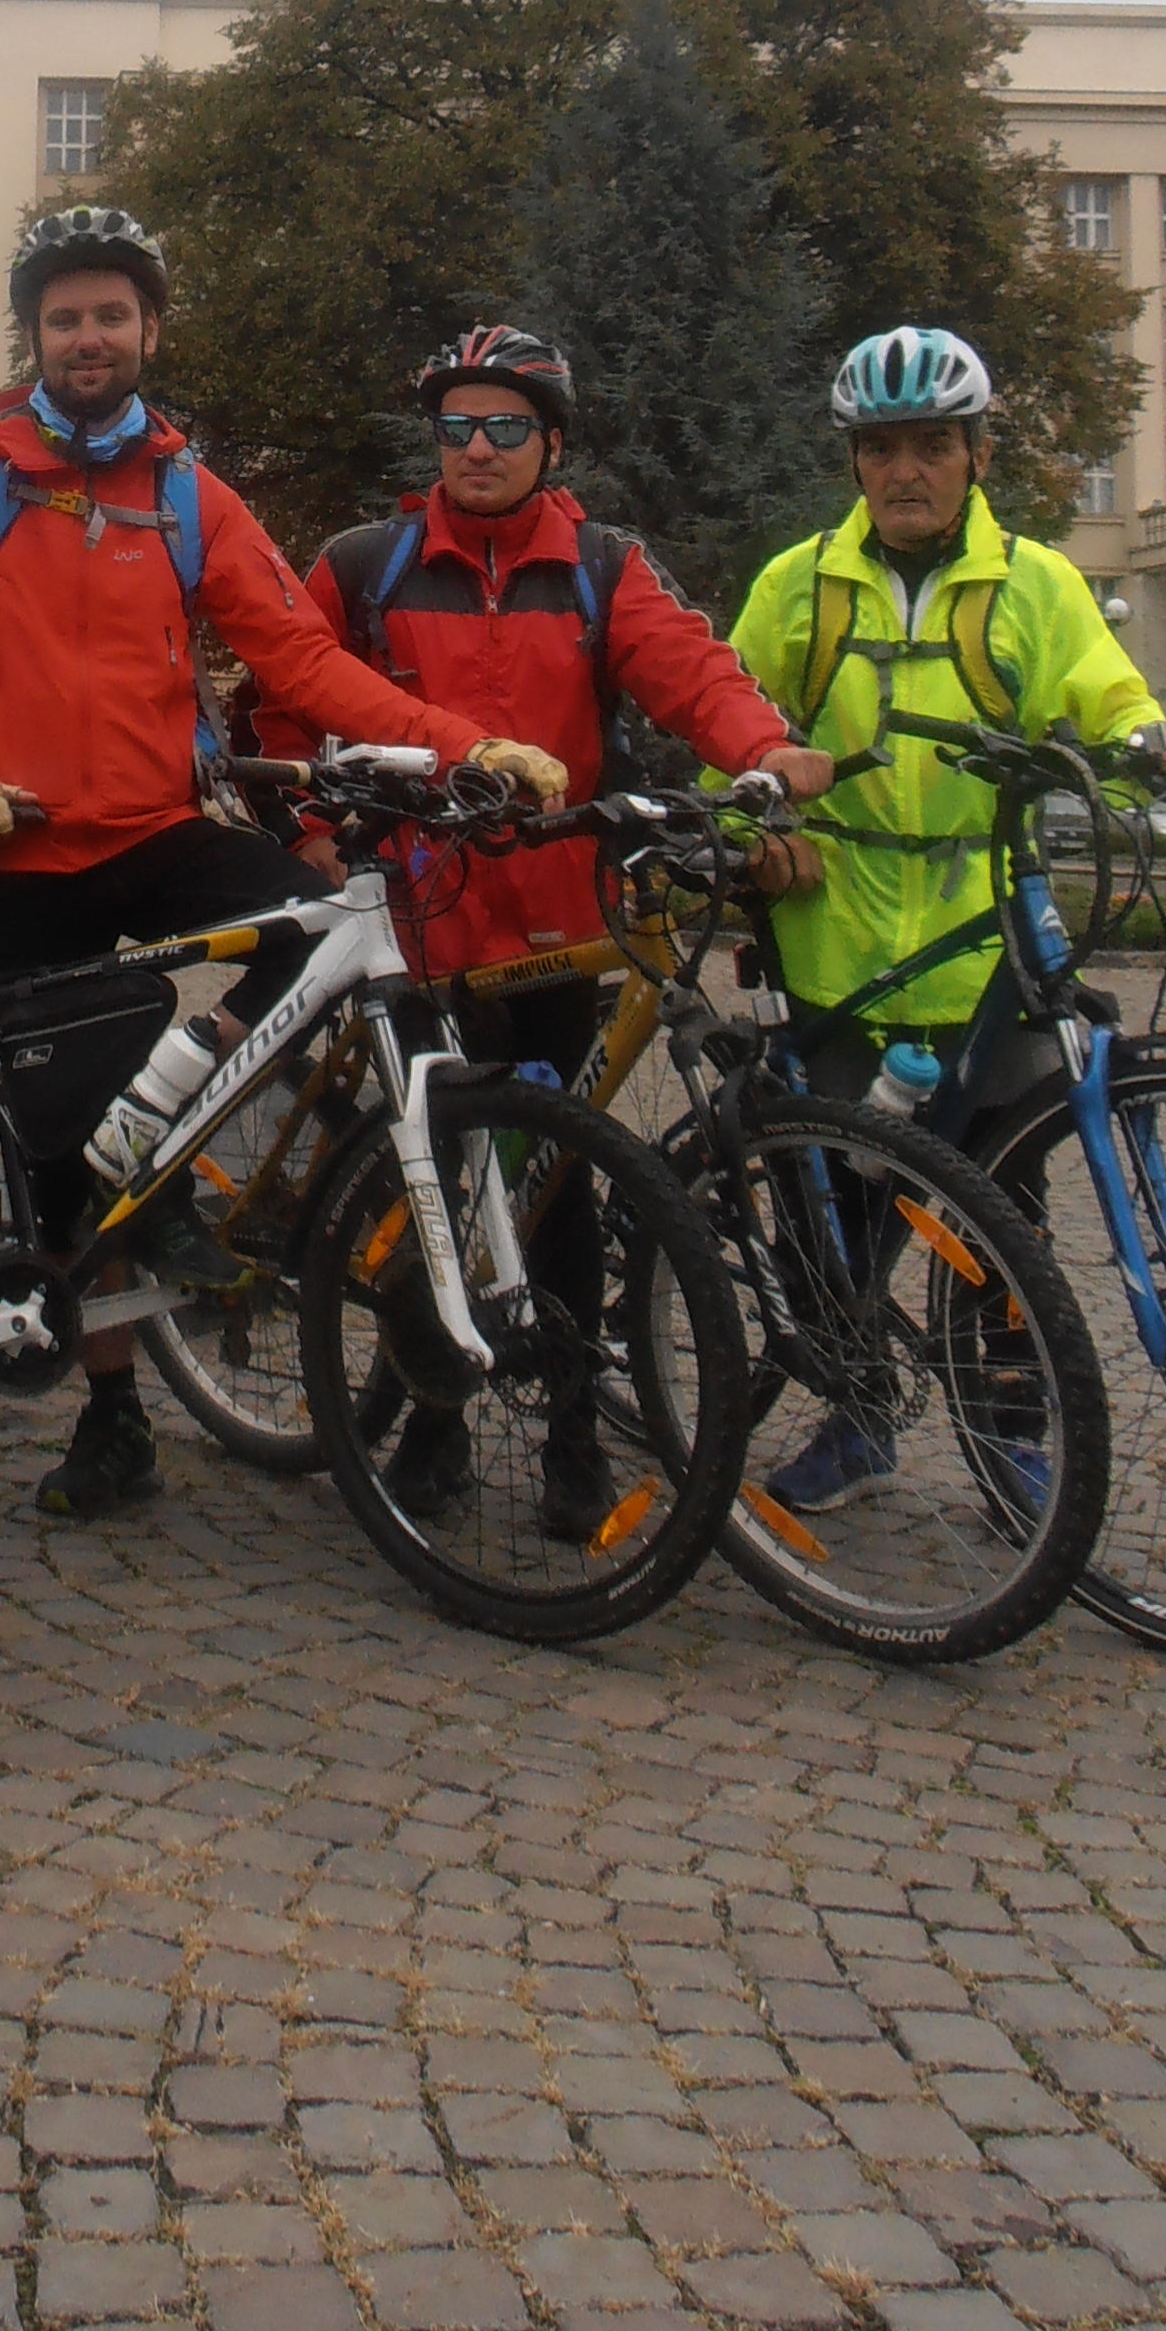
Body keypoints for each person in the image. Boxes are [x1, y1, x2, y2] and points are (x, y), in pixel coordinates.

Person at [0, 205, 555, 1525]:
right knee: (63, 1172)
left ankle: (186, 1127)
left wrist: (465, 744)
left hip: (163, 833)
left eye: (112, 314)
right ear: (36, 337)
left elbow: (305, 662)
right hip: (25, 850)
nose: (89, 336)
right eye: (65, 317)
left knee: (324, 934)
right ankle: (113, 1421)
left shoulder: (186, 493)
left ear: (150, 330)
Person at [269, 325, 838, 1539]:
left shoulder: (599, 564)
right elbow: (287, 690)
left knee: (564, 1183)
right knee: (438, 1174)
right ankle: (429, 1426)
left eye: (506, 427)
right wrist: (318, 830)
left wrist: (762, 749)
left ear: (553, 442)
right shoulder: (367, 564)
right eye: (457, 427)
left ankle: (575, 1436)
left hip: (559, 925)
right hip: (422, 922)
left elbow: (692, 669)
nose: (477, 448)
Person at [728, 322, 1166, 1513]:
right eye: (881, 447)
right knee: (829, 1218)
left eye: (931, 443)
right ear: (854, 462)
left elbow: (1110, 699)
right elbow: (723, 742)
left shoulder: (1034, 584)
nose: (905, 470)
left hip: (990, 956)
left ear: (976, 453)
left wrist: (1150, 742)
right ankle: (859, 1415)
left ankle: (1011, 1439)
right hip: (837, 954)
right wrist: (755, 838)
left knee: (1005, 1228)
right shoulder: (799, 586)